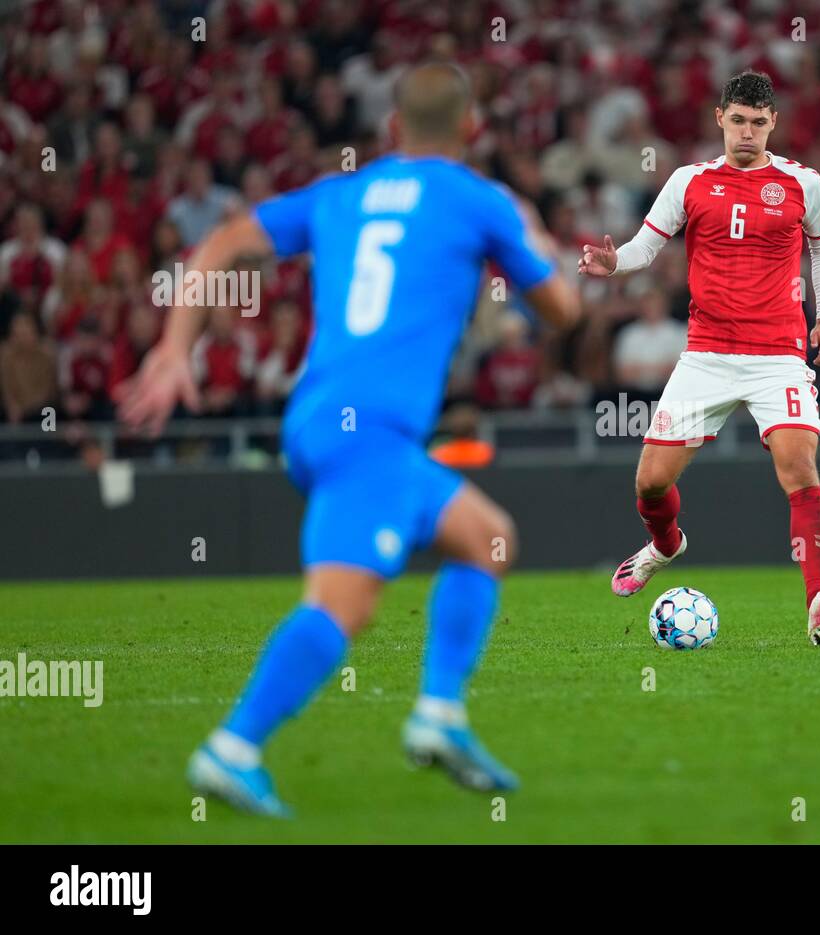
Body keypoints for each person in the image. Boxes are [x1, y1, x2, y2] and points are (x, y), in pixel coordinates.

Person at [121, 63, 580, 816]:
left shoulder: (341, 194)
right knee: (343, 605)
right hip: (371, 429)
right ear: (471, 130)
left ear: (392, 130)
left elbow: (226, 241)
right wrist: (532, 236)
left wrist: (176, 347)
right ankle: (233, 747)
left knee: (487, 537)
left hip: (326, 419)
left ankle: (440, 715)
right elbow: (562, 311)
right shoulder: (479, 200)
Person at [578, 71, 820, 647]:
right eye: (738, 121)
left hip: (778, 355)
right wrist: (615, 264)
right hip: (705, 354)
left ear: (772, 123)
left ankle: (816, 602)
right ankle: (665, 544)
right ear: (719, 119)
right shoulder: (689, 182)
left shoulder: (803, 183)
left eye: (758, 122)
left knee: (799, 467)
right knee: (651, 484)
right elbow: (645, 246)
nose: (747, 132)